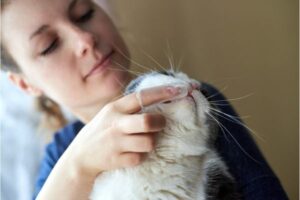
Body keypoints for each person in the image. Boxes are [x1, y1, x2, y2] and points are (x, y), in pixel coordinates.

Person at [1, 0, 288, 199]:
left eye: (84, 13)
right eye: (49, 45)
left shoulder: (194, 101)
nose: (84, 39)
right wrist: (78, 166)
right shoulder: (61, 157)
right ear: (25, 83)